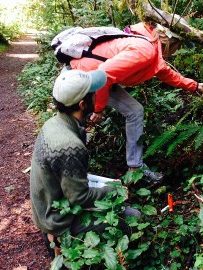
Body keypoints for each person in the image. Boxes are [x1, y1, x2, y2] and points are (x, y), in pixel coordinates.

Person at [70, 22, 203, 183]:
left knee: (134, 111)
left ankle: (135, 169)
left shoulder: (149, 44)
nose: (175, 53)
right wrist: (99, 109)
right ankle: (71, 174)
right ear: (170, 44)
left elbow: (164, 73)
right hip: (82, 76)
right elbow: (102, 74)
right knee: (77, 123)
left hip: (98, 78)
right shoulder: (145, 49)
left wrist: (195, 86)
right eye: (177, 48)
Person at [30, 69, 140, 258]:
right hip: (57, 219)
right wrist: (115, 190)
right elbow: (79, 198)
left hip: (46, 207)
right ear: (82, 104)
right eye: (93, 92)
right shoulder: (69, 145)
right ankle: (60, 241)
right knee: (134, 218)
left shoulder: (54, 124)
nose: (98, 93)